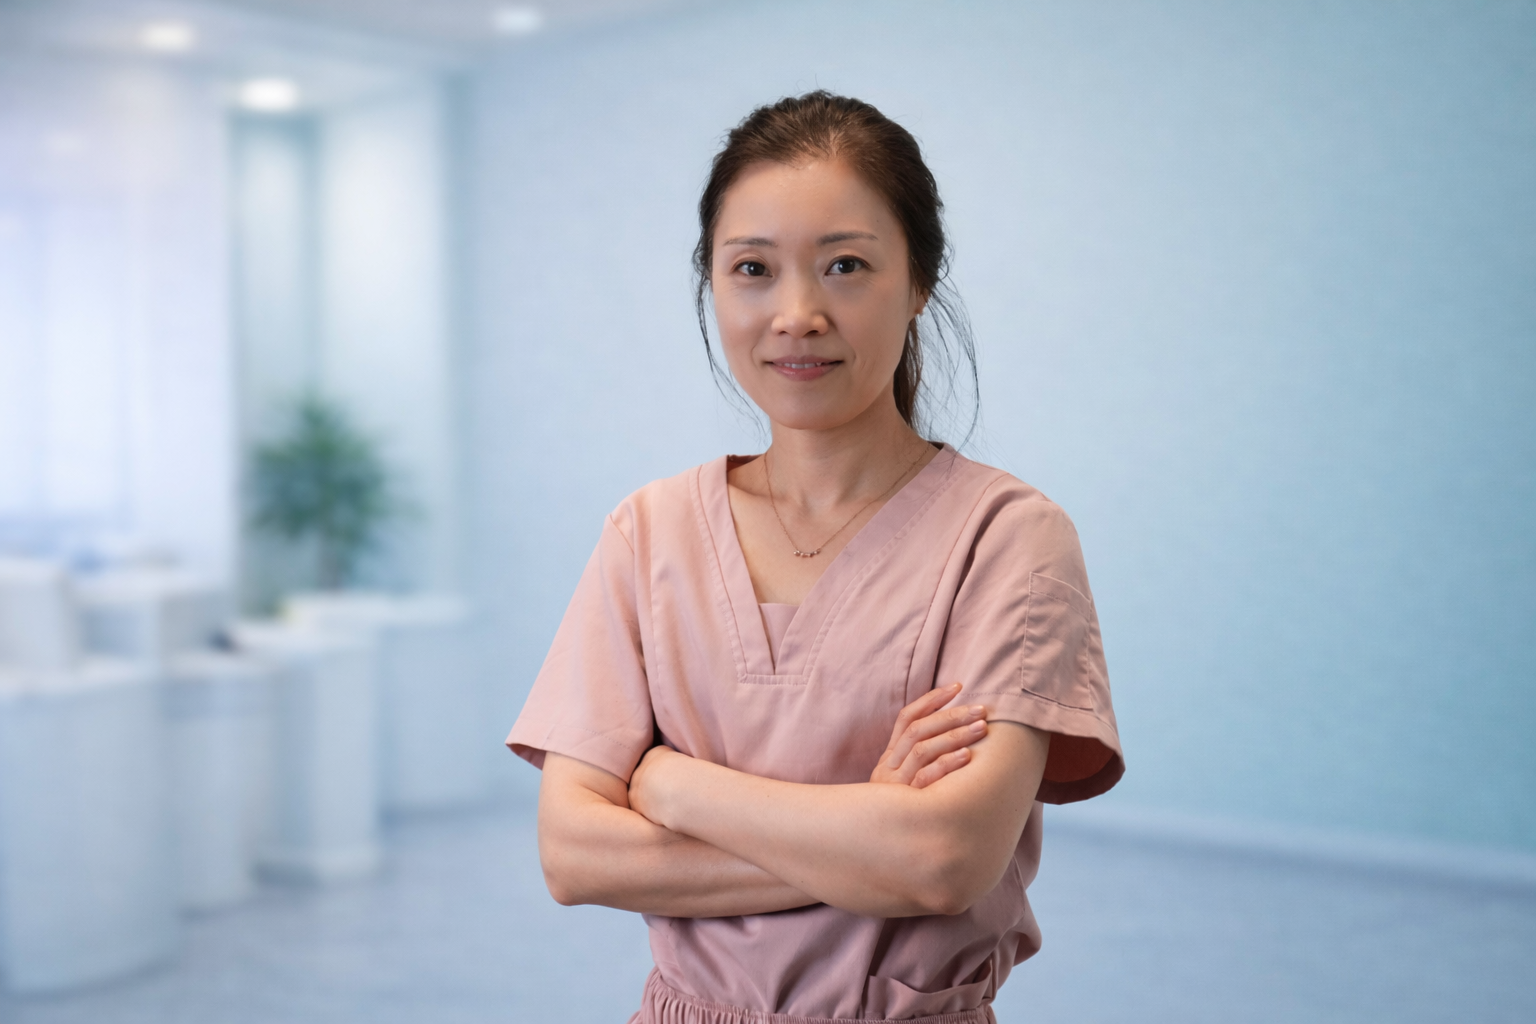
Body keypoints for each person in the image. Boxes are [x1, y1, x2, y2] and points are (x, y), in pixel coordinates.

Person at [507, 91, 1124, 1024]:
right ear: (712, 285)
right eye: (752, 268)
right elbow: (575, 856)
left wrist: (674, 784)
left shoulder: (1008, 538)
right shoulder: (649, 531)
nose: (796, 314)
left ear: (917, 282)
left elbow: (942, 861)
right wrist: (861, 831)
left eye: (845, 266)